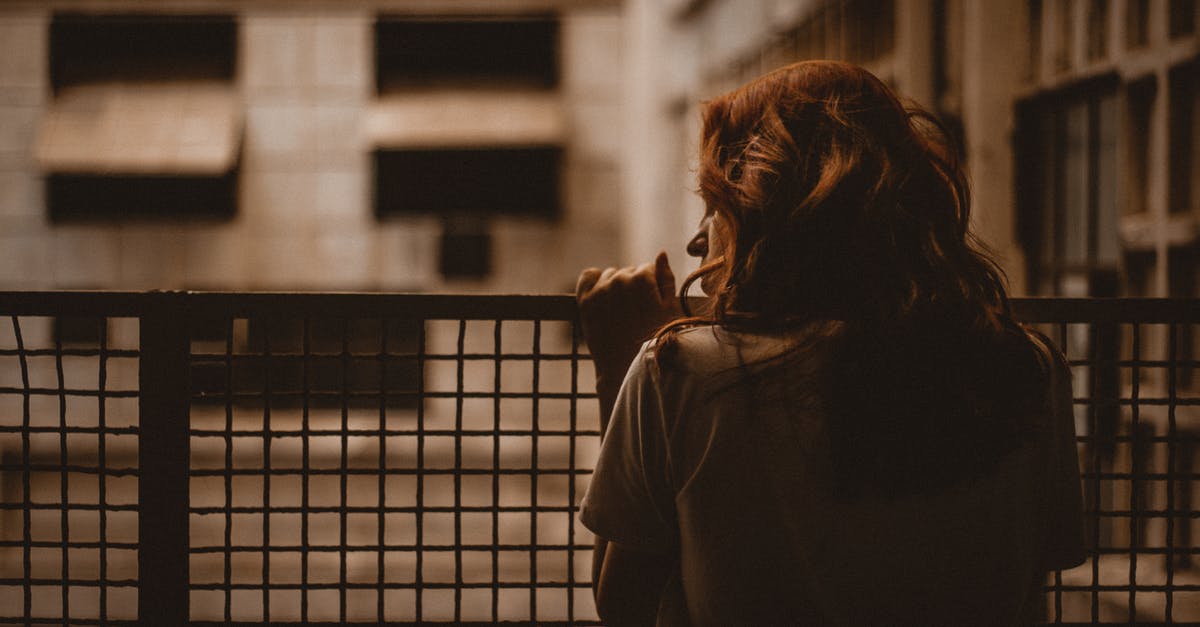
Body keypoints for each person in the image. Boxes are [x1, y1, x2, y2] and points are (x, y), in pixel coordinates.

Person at [574, 61, 1085, 626]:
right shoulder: (1029, 369)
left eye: (717, 206)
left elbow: (621, 605)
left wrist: (618, 361)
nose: (699, 241)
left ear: (770, 208)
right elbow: (1039, 565)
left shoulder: (681, 374)